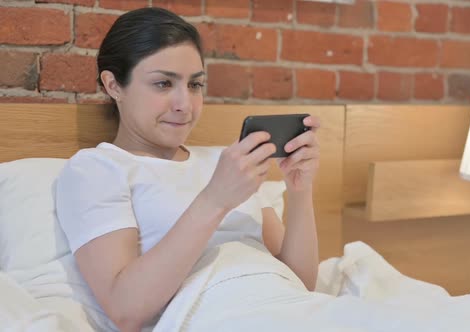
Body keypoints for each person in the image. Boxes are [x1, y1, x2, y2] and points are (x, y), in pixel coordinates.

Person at [55, 7, 321, 332]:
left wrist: (299, 190)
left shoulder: (227, 162)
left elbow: (301, 282)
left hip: (292, 310)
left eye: (195, 85)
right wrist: (215, 199)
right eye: (163, 84)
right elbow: (126, 310)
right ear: (113, 85)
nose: (185, 104)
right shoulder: (97, 169)